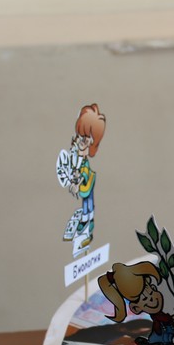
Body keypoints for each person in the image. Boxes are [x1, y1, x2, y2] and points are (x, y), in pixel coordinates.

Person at [63, 104, 106, 245]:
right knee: (85, 202)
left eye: (85, 140)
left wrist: (78, 182)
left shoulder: (85, 163)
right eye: (80, 137)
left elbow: (84, 175)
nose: (81, 142)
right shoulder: (78, 159)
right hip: (83, 185)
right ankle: (84, 221)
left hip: (88, 183)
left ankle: (89, 222)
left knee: (89, 203)